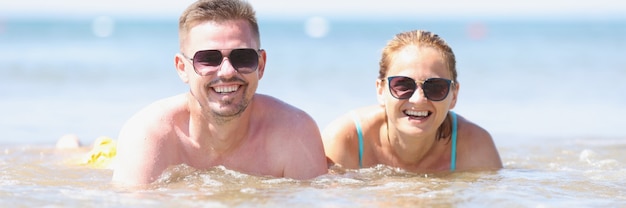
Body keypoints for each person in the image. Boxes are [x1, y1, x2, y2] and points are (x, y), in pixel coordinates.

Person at [111, 0, 327, 186]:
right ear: (182, 68)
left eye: (243, 57)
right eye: (208, 59)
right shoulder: (150, 136)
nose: (227, 71)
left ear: (261, 65)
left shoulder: (295, 133)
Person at [322, 30, 502, 172]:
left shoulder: (475, 146)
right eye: (402, 85)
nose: (418, 99)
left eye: (436, 87)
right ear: (381, 90)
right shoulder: (345, 140)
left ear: (454, 95)